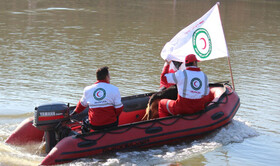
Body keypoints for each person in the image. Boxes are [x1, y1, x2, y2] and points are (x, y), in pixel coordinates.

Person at [70, 66, 123, 132]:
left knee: (85, 120)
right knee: (116, 117)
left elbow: (81, 105)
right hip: (111, 124)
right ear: (107, 77)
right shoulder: (114, 89)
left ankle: (86, 136)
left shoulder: (88, 89)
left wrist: (73, 113)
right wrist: (113, 116)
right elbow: (119, 108)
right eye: (109, 76)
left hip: (94, 125)